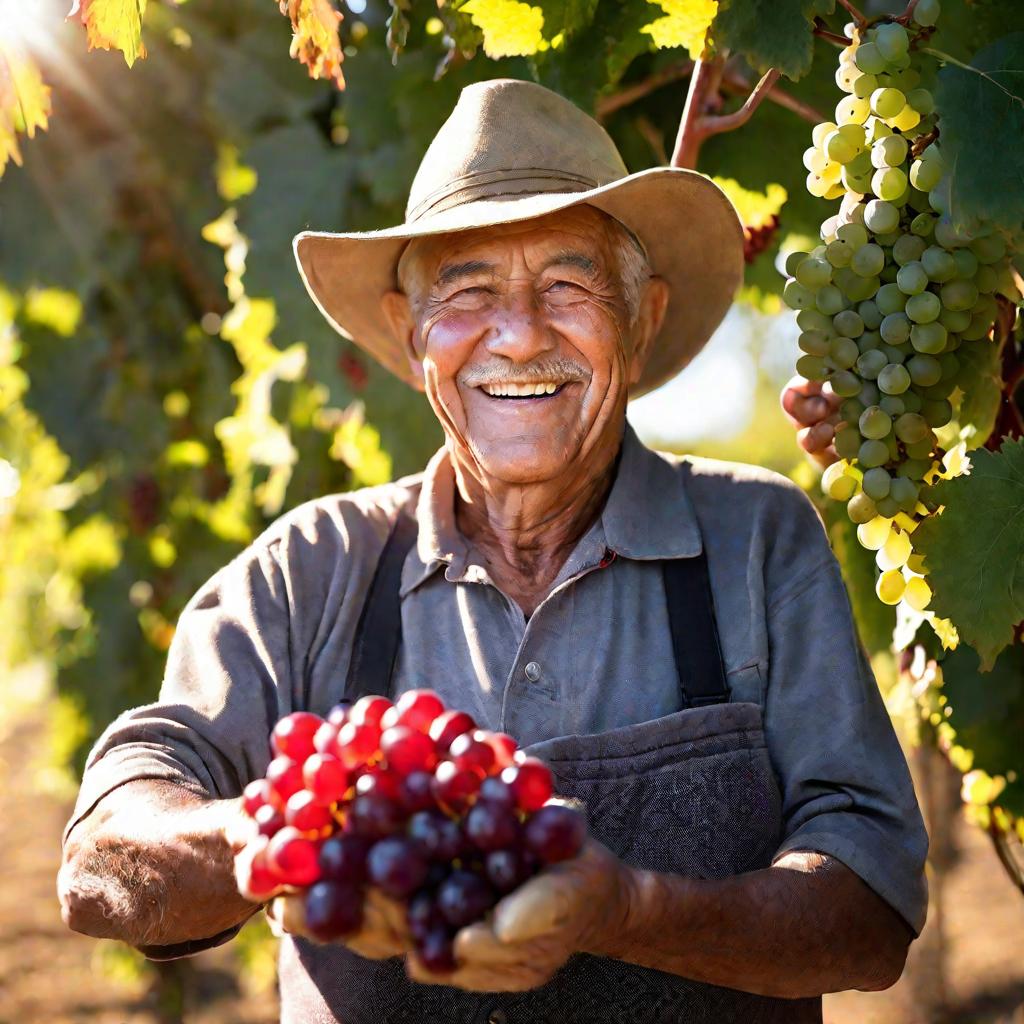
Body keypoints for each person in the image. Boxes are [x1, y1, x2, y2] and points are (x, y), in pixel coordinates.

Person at [58, 79, 927, 1024]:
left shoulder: (755, 538)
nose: (519, 335)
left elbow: (871, 911)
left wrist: (632, 910)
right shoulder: (308, 569)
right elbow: (105, 847)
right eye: (469, 290)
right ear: (410, 332)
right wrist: (284, 835)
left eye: (569, 284)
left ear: (640, 320)